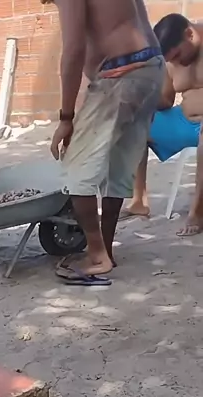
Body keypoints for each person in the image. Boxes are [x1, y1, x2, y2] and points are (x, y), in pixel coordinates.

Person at [49, 0, 165, 284]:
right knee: (117, 167)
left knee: (76, 170)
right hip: (151, 67)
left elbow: (74, 50)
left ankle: (97, 256)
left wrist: (66, 117)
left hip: (121, 74)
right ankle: (106, 251)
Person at [121, 14, 203, 236]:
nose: (175, 63)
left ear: (189, 34)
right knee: (135, 124)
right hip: (185, 121)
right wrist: (141, 94)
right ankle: (139, 201)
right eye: (170, 60)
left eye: (177, 56)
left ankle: (198, 212)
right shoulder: (170, 60)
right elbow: (166, 100)